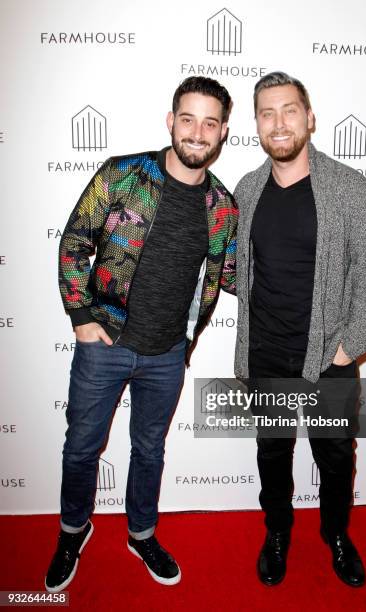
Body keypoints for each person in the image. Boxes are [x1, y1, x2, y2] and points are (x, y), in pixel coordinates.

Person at [45, 76, 237, 592]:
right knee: (82, 448)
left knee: (149, 450)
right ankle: (72, 530)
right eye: (189, 118)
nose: (198, 132)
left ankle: (141, 533)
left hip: (169, 354)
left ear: (222, 134)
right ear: (171, 121)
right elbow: (73, 242)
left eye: (210, 123)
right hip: (104, 345)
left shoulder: (223, 206)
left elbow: (233, 274)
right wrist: (81, 316)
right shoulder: (123, 175)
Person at [233, 71, 366, 587]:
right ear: (256, 124)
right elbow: (240, 270)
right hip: (267, 355)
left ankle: (336, 534)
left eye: (289, 110)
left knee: (334, 454)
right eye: (266, 113)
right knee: (273, 452)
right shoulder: (248, 189)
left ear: (310, 117)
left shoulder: (348, 187)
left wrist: (349, 347)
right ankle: (277, 532)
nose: (278, 123)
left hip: (329, 359)